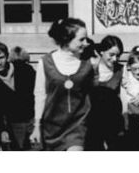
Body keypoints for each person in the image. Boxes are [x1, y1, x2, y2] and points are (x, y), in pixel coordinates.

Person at [31, 18, 95, 151]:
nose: (86, 43)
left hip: (78, 125)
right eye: (81, 39)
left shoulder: (89, 63)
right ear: (67, 40)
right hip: (52, 127)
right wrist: (37, 126)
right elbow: (40, 95)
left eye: (86, 39)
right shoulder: (45, 63)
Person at [0, 41, 36, 151]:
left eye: (1, 57)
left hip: (33, 120)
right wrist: (2, 130)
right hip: (13, 126)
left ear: (7, 56)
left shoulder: (25, 69)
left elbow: (39, 93)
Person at [86, 35, 125, 150]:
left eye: (118, 55)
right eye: (111, 55)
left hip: (113, 124)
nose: (115, 59)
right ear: (102, 51)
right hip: (92, 124)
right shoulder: (91, 69)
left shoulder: (121, 70)